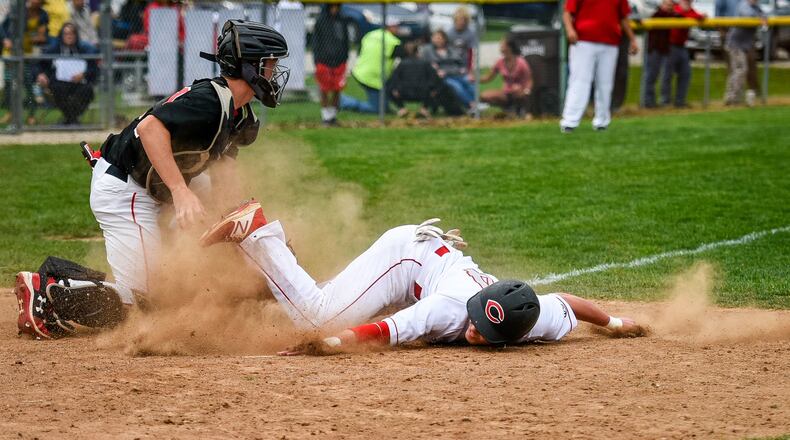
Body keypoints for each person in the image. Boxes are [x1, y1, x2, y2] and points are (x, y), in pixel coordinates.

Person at [14, 20, 291, 340]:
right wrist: (180, 192)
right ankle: (45, 293)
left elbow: (225, 182)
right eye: (270, 63)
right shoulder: (209, 101)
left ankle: (61, 275)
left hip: (155, 184)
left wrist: (247, 234)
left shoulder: (239, 114)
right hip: (128, 188)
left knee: (186, 271)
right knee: (143, 306)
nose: (275, 72)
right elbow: (150, 129)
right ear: (251, 68)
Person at [199, 200, 646, 354]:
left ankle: (266, 280)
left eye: (483, 330)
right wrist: (329, 344)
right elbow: (385, 330)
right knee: (318, 319)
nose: (473, 329)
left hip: (426, 268)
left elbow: (570, 301)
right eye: (476, 320)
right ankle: (258, 232)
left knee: (329, 303)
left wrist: (612, 324)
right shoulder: (451, 307)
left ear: (514, 335)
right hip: (405, 257)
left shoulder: (536, 318)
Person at [560, 0, 637, 132]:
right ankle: (570, 121)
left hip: (610, 41)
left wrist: (632, 39)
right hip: (583, 40)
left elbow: (623, 17)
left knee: (605, 84)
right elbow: (567, 12)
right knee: (580, 80)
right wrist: (570, 30)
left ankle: (602, 121)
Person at [35, 22, 98, 125]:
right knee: (57, 89)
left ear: (76, 35)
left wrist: (84, 74)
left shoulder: (84, 50)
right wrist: (40, 74)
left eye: (72, 33)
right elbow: (39, 64)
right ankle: (72, 120)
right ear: (61, 35)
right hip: (59, 84)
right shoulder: (54, 49)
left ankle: (69, 119)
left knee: (87, 90)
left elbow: (93, 68)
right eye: (66, 33)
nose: (69, 36)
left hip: (79, 83)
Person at [1, 0, 50, 125]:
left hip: (27, 54)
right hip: (10, 52)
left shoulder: (43, 14)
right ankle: (11, 112)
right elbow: (3, 27)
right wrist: (5, 39)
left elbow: (42, 36)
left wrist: (35, 38)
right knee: (8, 85)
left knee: (29, 84)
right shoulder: (19, 12)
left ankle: (31, 114)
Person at [386, 41, 465, 118]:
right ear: (418, 52)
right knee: (441, 88)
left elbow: (393, 80)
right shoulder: (425, 63)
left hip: (403, 93)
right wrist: (433, 90)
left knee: (387, 86)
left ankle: (402, 109)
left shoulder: (401, 64)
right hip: (424, 93)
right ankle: (424, 109)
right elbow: (435, 79)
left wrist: (396, 90)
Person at [340, 18, 402, 114]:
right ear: (389, 27)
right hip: (373, 78)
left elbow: (359, 51)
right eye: (396, 26)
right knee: (377, 109)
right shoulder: (393, 41)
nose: (398, 29)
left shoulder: (370, 35)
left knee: (384, 106)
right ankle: (342, 101)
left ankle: (385, 106)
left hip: (360, 71)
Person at [716, 0, 760, 106]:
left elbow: (763, 15)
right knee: (740, 70)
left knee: (740, 70)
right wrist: (760, 17)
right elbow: (748, 14)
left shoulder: (756, 7)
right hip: (735, 44)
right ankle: (732, 98)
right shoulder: (744, 5)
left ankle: (733, 98)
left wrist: (762, 16)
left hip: (744, 44)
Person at [662, 0, 705, 108]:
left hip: (682, 46)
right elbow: (679, 14)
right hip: (670, 45)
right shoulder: (676, 8)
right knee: (667, 74)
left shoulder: (690, 10)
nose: (689, 2)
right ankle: (665, 101)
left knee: (685, 74)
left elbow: (698, 16)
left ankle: (680, 101)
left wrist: (702, 16)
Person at [312, 4, 350, 126]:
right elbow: (315, 42)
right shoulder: (320, 21)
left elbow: (346, 41)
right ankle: (325, 117)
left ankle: (332, 117)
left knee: (337, 89)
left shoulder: (342, 21)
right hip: (323, 61)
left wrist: (345, 57)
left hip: (339, 61)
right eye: (332, 7)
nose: (334, 9)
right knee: (324, 89)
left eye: (336, 7)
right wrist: (317, 59)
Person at [479, 37, 533, 118]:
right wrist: (475, 79)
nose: (500, 48)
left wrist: (526, 91)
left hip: (519, 92)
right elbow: (488, 77)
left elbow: (529, 80)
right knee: (484, 95)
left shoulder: (521, 62)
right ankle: (507, 110)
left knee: (516, 88)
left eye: (502, 46)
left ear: (509, 47)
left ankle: (521, 110)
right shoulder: (500, 62)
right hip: (506, 93)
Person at [419, 29, 475, 108]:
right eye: (435, 38)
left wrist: (466, 71)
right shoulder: (427, 50)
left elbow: (461, 63)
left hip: (457, 73)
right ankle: (471, 104)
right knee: (456, 86)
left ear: (444, 39)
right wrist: (432, 68)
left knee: (469, 82)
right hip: (443, 77)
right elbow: (424, 65)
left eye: (439, 38)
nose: (437, 40)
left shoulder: (451, 49)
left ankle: (477, 102)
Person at [642, 0, 676, 108]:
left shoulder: (671, 16)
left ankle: (658, 101)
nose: (669, 7)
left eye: (671, 5)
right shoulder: (657, 15)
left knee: (664, 76)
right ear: (662, 5)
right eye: (667, 5)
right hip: (654, 50)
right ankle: (647, 102)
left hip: (664, 50)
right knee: (650, 76)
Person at [446, 7, 477, 73]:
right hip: (451, 64)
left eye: (463, 20)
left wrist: (470, 69)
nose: (461, 22)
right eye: (459, 20)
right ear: (455, 20)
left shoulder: (470, 33)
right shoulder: (449, 33)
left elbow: (471, 52)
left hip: (464, 64)